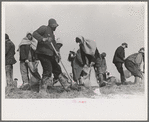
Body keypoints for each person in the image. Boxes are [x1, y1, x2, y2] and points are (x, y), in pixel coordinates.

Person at [33, 18, 70, 92]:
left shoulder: (52, 35)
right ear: (52, 25)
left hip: (50, 55)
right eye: (55, 26)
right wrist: (43, 39)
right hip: (43, 54)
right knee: (48, 70)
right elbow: (34, 33)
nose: (56, 27)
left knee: (57, 69)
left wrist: (57, 53)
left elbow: (54, 45)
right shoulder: (44, 28)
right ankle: (42, 90)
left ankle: (66, 86)